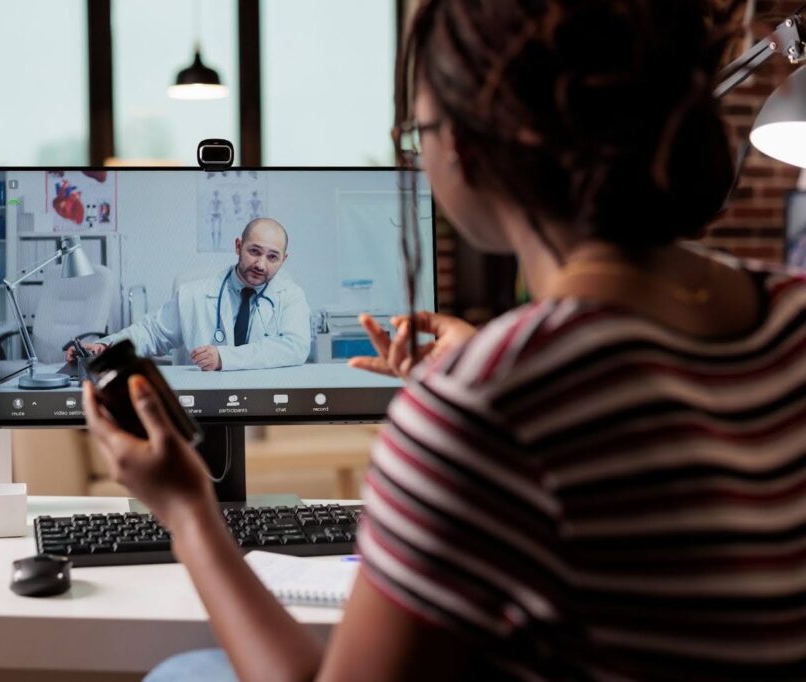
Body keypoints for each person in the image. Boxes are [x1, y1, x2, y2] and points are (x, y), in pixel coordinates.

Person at [84, 0, 806, 679]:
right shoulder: (792, 311)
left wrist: (185, 510)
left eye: (416, 134)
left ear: (463, 144)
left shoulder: (484, 407)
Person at [69, 217, 311, 372]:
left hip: (265, 404)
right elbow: (150, 334)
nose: (261, 264)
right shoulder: (193, 294)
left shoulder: (291, 296)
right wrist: (103, 348)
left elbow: (295, 347)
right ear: (238, 246)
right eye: (254, 251)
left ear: (284, 259)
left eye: (272, 257)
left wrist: (224, 358)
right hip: (203, 406)